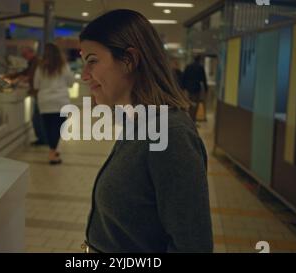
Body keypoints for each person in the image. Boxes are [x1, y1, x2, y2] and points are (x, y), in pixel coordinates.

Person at [80, 9, 213, 253]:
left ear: (129, 60)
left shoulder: (171, 135)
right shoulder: (139, 123)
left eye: (92, 61)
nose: (84, 75)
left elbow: (192, 246)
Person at [33, 43, 74, 165]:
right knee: (58, 127)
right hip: (60, 101)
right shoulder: (64, 66)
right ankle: (52, 152)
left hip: (45, 101)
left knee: (48, 126)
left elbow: (36, 84)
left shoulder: (40, 68)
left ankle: (53, 150)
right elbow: (71, 82)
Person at [3, 46, 48, 146]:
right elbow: (25, 73)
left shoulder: (36, 62)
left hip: (38, 93)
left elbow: (30, 76)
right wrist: (12, 77)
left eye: (25, 54)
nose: (24, 57)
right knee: (37, 117)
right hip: (38, 92)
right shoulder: (34, 62)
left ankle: (42, 139)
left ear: (31, 53)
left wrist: (17, 78)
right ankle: (43, 138)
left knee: (37, 118)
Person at [182, 55, 208, 124]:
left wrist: (183, 88)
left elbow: (184, 77)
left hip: (188, 88)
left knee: (189, 104)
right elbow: (204, 79)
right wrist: (206, 89)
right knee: (195, 105)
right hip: (196, 88)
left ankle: (188, 119)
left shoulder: (188, 66)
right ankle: (193, 120)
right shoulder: (200, 67)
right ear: (199, 60)